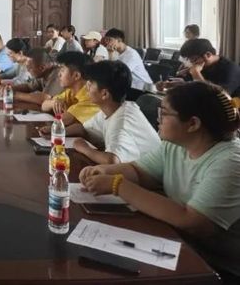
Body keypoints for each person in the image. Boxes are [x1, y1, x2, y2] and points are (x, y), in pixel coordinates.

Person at [79, 82, 240, 283]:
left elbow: (191, 221)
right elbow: (139, 172)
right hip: (178, 244)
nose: (158, 118)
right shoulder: (176, 145)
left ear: (192, 124)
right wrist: (103, 171)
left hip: (217, 267)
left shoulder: (231, 162)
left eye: (164, 113)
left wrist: (117, 185)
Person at [68, 61, 160, 164]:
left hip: (151, 173)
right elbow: (84, 129)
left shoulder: (122, 121)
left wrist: (84, 148)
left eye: (91, 84)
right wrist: (58, 132)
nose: (86, 87)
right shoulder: (112, 110)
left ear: (104, 94)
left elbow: (112, 161)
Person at [41, 51, 99, 127]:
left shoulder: (90, 96)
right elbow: (44, 105)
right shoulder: (70, 92)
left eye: (63, 70)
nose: (59, 74)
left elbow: (63, 120)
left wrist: (56, 109)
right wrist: (54, 103)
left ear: (76, 76)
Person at [165, 39, 240, 97]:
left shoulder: (230, 69)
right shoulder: (201, 65)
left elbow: (220, 96)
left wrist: (196, 73)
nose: (192, 63)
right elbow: (194, 85)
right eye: (189, 60)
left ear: (208, 54)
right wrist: (180, 84)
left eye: (194, 59)